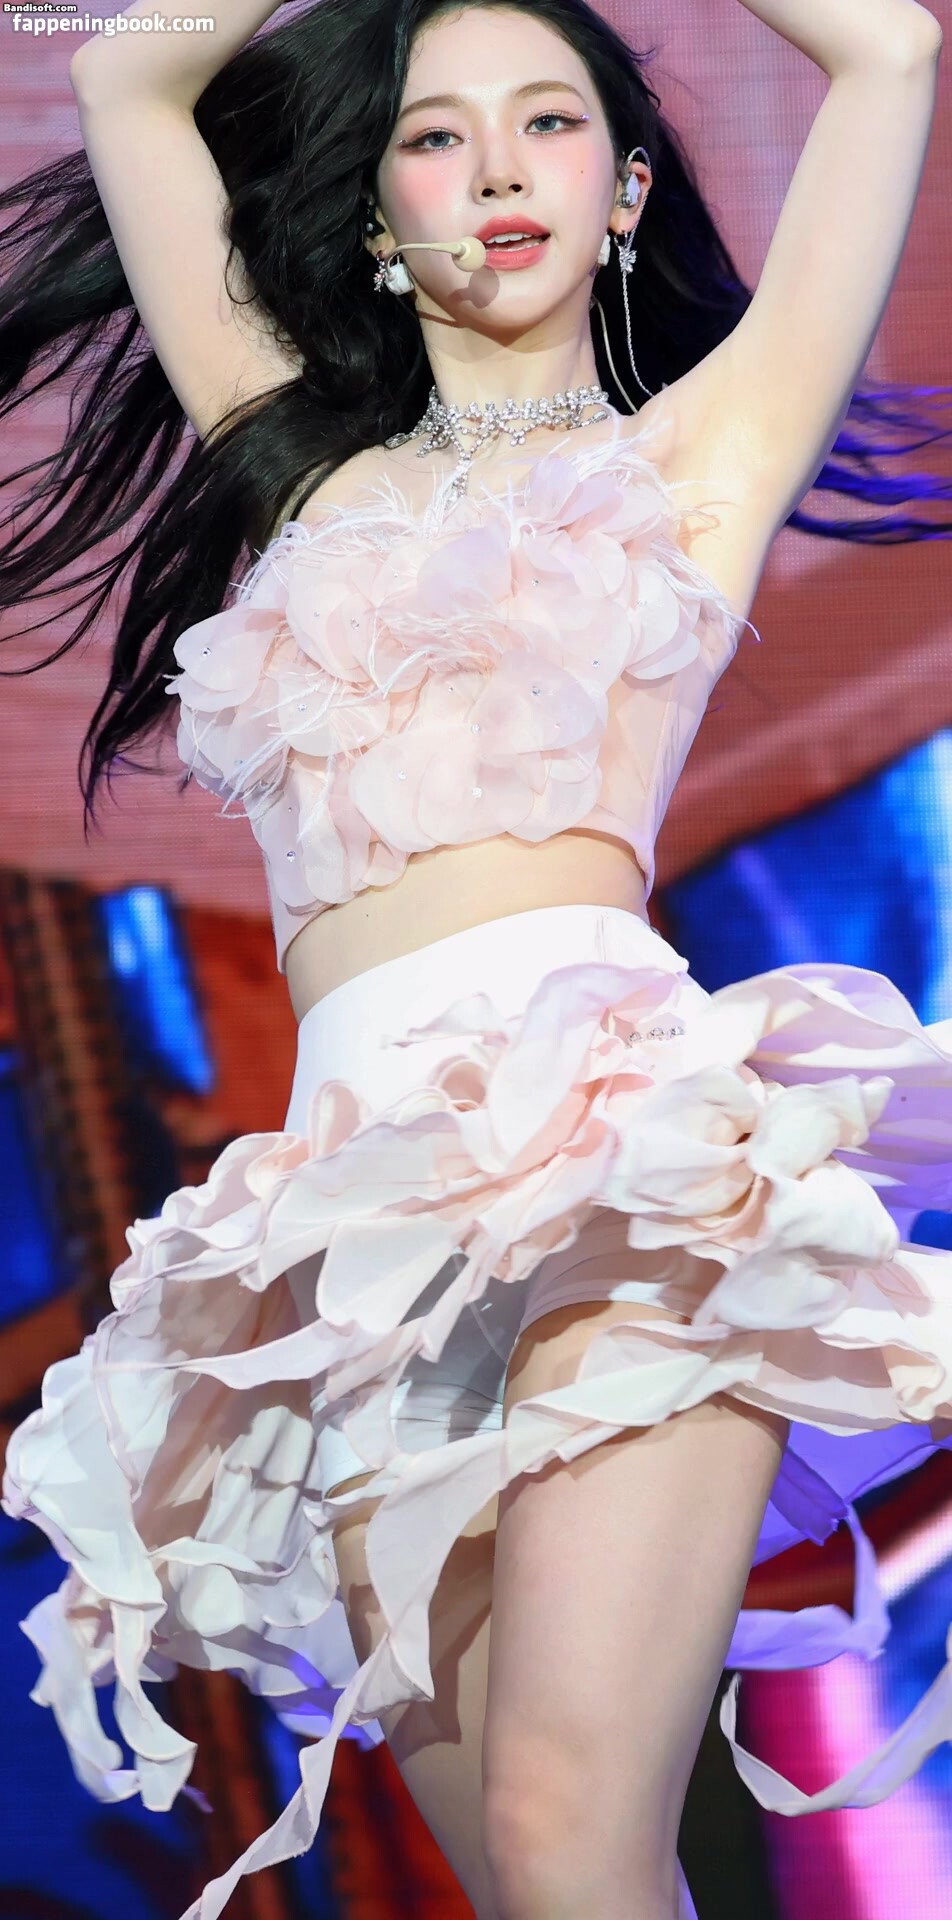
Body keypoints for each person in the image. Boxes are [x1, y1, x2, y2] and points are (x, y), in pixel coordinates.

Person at [1, 2, 950, 1917]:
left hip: (620, 1167)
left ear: (626, 190)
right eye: (436, 136)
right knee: (532, 1882)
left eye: (549, 123)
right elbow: (123, 77)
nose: (498, 167)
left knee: (563, 1830)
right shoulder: (290, 464)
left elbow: (889, 57)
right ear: (377, 214)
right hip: (354, 1232)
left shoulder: (698, 454)